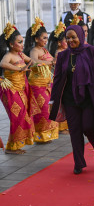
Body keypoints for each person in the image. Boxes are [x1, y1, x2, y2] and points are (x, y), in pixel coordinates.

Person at [49, 25, 94, 175]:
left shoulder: (92, 51)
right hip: (70, 99)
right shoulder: (63, 55)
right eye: (67, 38)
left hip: (89, 97)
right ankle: (78, 163)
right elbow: (57, 79)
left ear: (81, 36)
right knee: (74, 130)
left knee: (88, 126)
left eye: (73, 37)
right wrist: (52, 100)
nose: (70, 40)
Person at [0, 23, 38, 154]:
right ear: (11, 44)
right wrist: (19, 69)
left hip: (22, 89)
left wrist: (35, 63)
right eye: (19, 42)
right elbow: (2, 64)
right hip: (11, 90)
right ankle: (13, 146)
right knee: (17, 116)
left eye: (22, 42)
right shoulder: (9, 55)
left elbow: (31, 61)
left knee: (23, 115)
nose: (22, 44)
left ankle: (13, 145)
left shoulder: (21, 55)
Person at [24, 17, 59, 143]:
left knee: (48, 109)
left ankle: (47, 135)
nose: (46, 40)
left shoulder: (44, 49)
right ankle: (40, 136)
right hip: (37, 85)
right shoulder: (34, 50)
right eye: (43, 38)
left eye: (46, 37)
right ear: (35, 39)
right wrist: (49, 61)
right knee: (42, 111)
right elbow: (33, 62)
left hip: (46, 84)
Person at [48, 22, 69, 135]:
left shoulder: (64, 51)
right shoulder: (59, 53)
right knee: (61, 102)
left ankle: (65, 125)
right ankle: (61, 127)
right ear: (59, 43)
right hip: (60, 80)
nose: (68, 42)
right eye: (66, 40)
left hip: (63, 79)